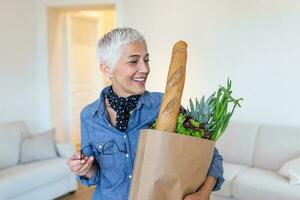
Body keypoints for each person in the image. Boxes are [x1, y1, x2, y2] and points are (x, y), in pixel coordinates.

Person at [67, 27, 224, 200]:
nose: (145, 68)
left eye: (146, 60)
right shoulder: (89, 116)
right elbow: (97, 176)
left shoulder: (163, 106)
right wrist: (86, 169)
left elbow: (209, 155)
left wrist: (204, 192)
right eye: (134, 61)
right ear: (107, 69)